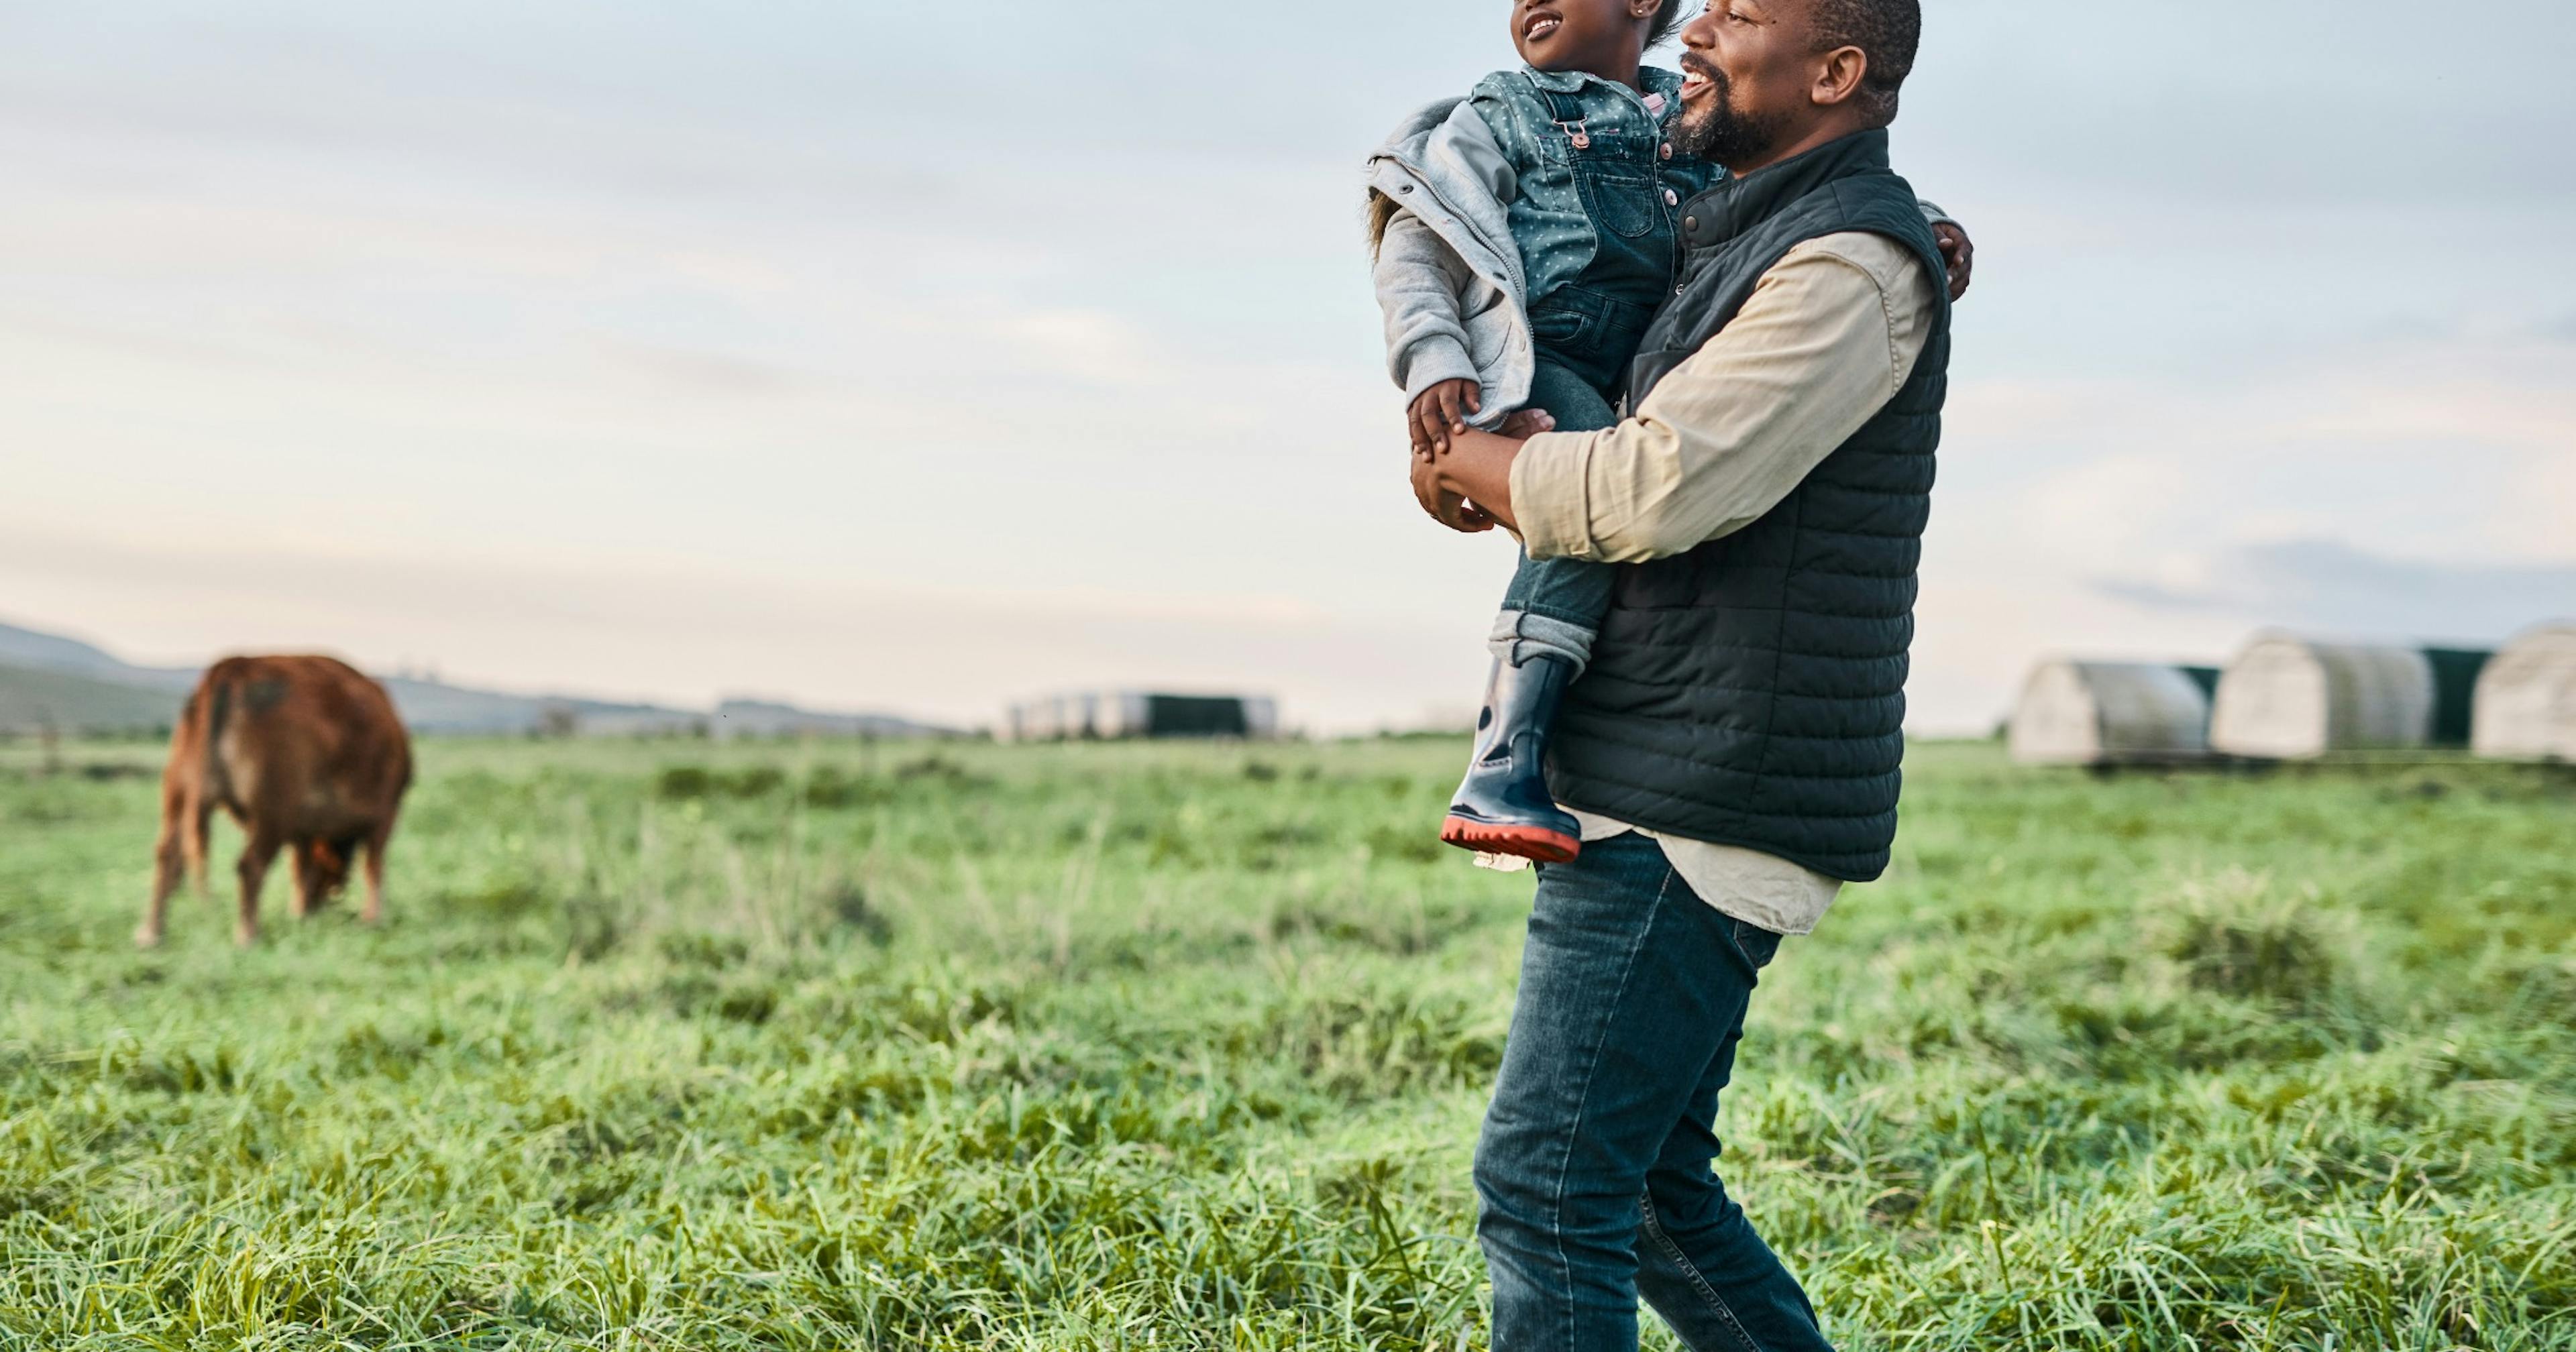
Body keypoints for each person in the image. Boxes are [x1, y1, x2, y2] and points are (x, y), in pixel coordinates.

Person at [1408, 0, 1958, 1346]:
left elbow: (1652, 490)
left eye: (1742, 13)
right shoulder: (1755, 226)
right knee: (1644, 1190)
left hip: (1693, 798)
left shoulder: (1848, 268)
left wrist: (1464, 464)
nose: (1697, 29)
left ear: (1837, 74)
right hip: (1670, 766)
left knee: (1546, 1186)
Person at [1365, 0, 1968, 864]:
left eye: (1742, 14)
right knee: (1571, 528)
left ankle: (1510, 754)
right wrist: (1434, 367)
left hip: (1648, 369)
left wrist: (1926, 217)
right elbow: (1424, 236)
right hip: (1556, 358)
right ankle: (1503, 751)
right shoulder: (1503, 113)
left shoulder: (1685, 125)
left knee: (1586, 505)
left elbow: (1794, 190)